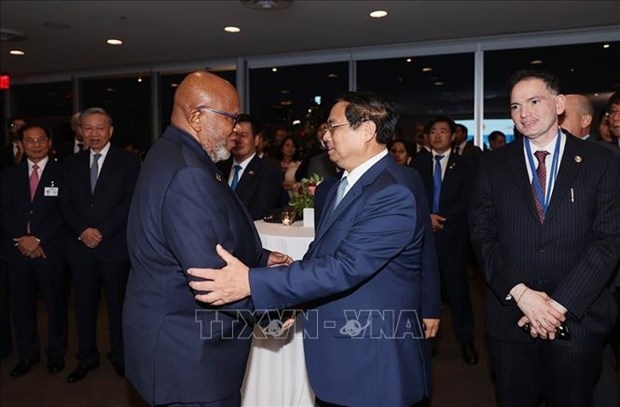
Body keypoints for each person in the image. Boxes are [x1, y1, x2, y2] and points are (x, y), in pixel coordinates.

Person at [188, 91, 441, 407]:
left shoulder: (393, 192)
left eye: (332, 126)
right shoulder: (332, 188)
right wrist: (289, 302)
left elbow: (344, 267)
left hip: (373, 360)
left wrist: (250, 282)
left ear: (366, 131)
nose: (324, 136)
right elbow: (321, 255)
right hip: (339, 354)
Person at [122, 71, 289, 407]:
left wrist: (259, 255)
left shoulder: (171, 150)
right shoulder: (187, 171)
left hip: (172, 337)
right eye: (231, 118)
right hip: (188, 356)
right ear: (197, 117)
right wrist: (272, 316)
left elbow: (205, 233)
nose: (236, 130)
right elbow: (209, 276)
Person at [469, 69, 620, 407]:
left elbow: (609, 241)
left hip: (577, 319)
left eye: (534, 101)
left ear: (559, 103)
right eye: (515, 106)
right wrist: (523, 296)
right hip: (511, 320)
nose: (524, 113)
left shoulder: (601, 162)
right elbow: (482, 236)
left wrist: (556, 306)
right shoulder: (492, 165)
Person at [60, 107, 140, 383]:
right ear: (80, 132)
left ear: (111, 130)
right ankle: (86, 357)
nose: (94, 133)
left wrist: (101, 231)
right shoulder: (69, 164)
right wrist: (83, 230)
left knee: (118, 307)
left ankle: (120, 356)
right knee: (82, 306)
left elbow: (129, 202)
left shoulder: (129, 162)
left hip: (114, 247)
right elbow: (64, 203)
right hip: (81, 249)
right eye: (88, 128)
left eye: (100, 128)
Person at [0, 123, 68, 377]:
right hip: (17, 251)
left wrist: (38, 239)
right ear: (21, 144)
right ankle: (27, 355)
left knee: (55, 304)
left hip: (50, 250)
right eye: (30, 140)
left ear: (49, 143)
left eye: (41, 139)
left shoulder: (63, 173)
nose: (36, 144)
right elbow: (5, 211)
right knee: (21, 306)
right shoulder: (9, 174)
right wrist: (23, 240)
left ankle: (56, 353)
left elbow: (64, 211)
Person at [410, 116, 478, 365]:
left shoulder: (466, 164)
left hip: (454, 237)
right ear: (427, 136)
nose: (438, 136)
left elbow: (470, 200)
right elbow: (411, 197)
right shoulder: (416, 164)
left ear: (453, 136)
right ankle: (418, 344)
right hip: (422, 237)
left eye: (444, 131)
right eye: (434, 131)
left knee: (459, 292)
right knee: (421, 293)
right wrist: (426, 217)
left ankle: (466, 340)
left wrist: (442, 219)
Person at [217, 113, 283, 220]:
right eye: (234, 134)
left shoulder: (268, 170)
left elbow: (260, 211)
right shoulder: (220, 167)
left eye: (243, 135)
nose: (237, 140)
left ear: (256, 140)